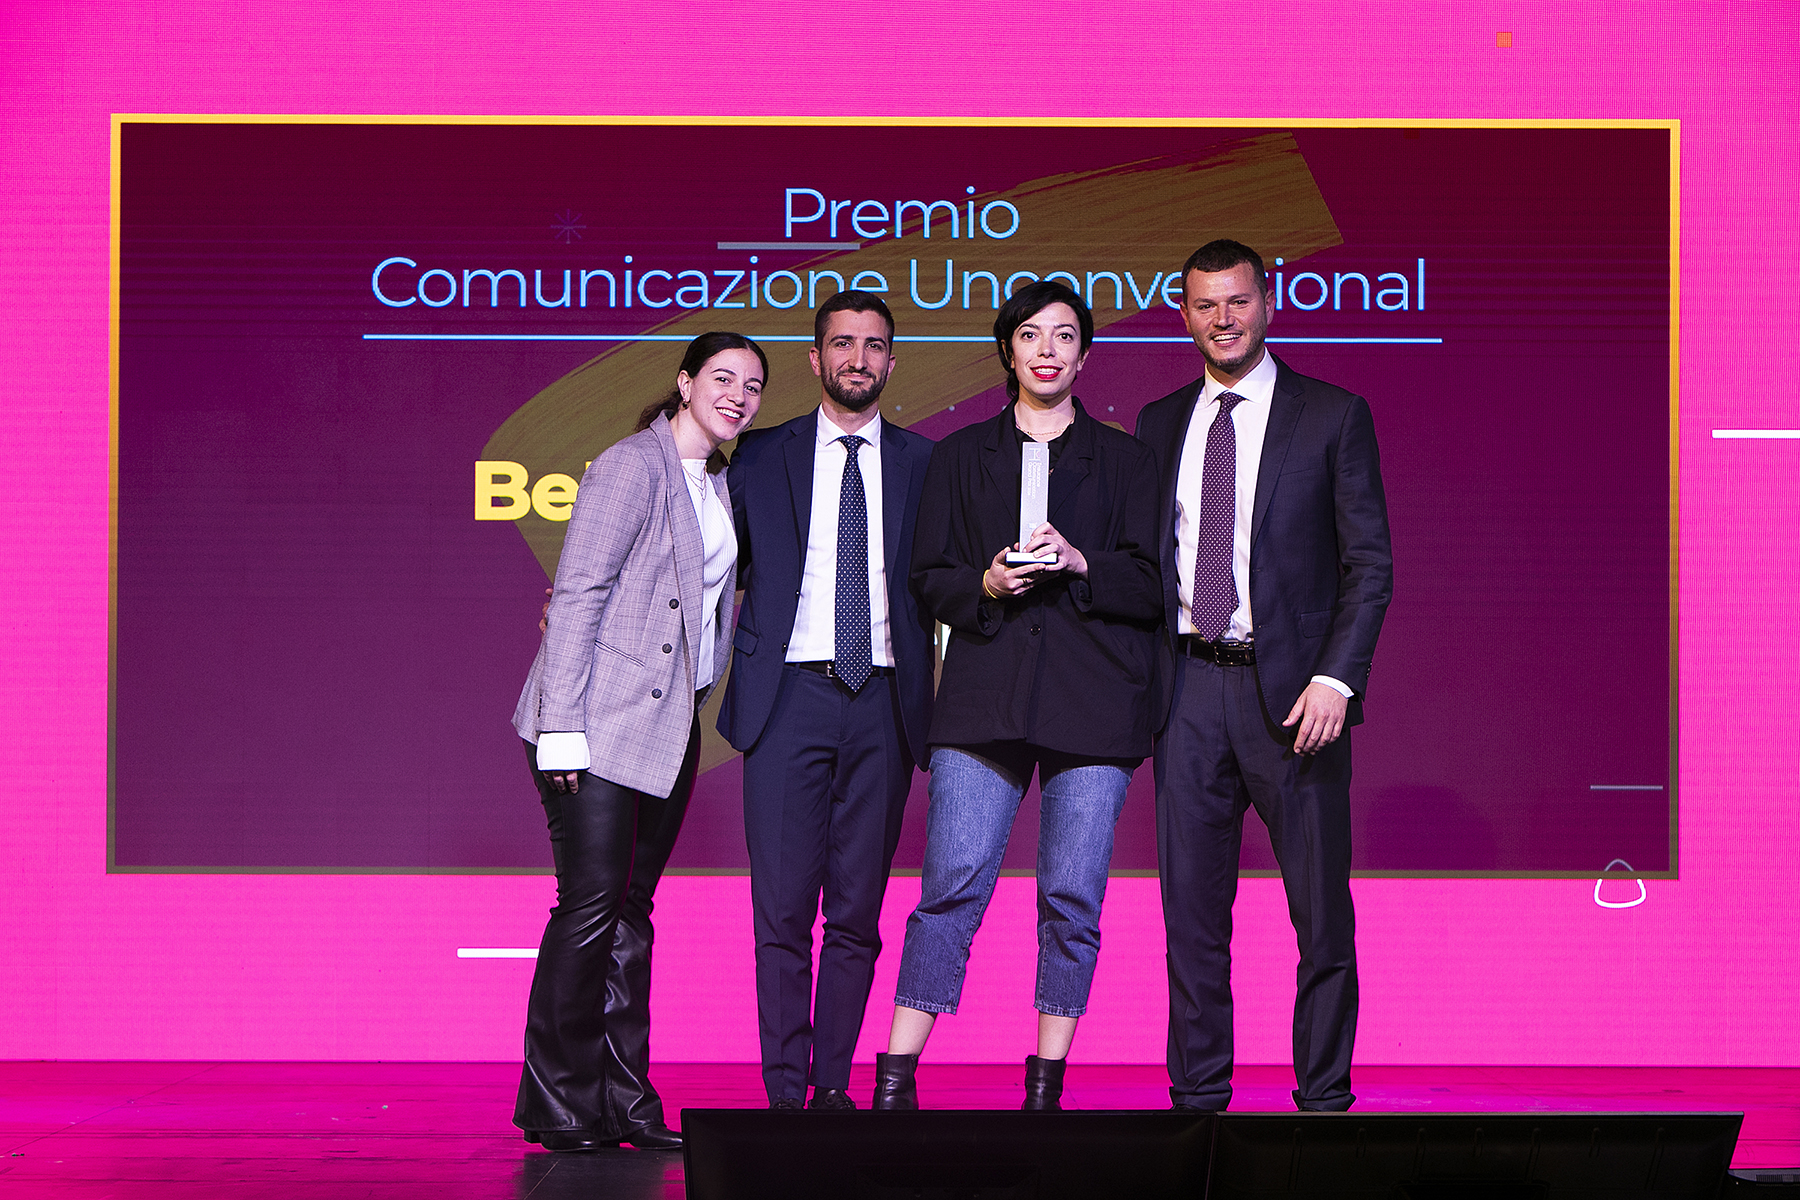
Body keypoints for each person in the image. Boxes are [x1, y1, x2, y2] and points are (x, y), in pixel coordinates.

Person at [873, 280, 1163, 1112]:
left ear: (1084, 354)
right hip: (983, 699)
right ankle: (895, 1077)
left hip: (1094, 704)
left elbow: (1153, 585)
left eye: (1064, 336)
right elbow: (928, 576)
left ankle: (1046, 1084)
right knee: (951, 886)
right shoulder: (961, 455)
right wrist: (987, 584)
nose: (1047, 350)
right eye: (1031, 335)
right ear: (1008, 350)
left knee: (1072, 898)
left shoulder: (1127, 461)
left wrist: (1081, 562)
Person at [1135, 240, 1393, 1113]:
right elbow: (1145, 562)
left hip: (1293, 702)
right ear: (1184, 316)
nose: (1223, 319)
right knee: (1191, 922)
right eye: (1206, 305)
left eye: (1237, 301)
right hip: (1187, 694)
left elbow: (1370, 565)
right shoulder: (1159, 421)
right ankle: (1198, 1104)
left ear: (1267, 303)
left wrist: (1337, 680)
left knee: (1320, 918)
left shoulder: (1332, 415)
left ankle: (1322, 1105)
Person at [511, 332, 765, 1151]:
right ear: (684, 383)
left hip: (666, 725)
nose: (736, 396)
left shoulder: (717, 481)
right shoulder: (632, 466)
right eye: (721, 378)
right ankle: (558, 1103)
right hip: (592, 723)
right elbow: (578, 592)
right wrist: (561, 728)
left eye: (752, 386)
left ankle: (625, 1101)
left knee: (630, 913)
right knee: (590, 907)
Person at [716, 291, 936, 1111]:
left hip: (884, 702)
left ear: (891, 362)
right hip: (787, 699)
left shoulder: (926, 463)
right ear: (815, 359)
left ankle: (832, 1086)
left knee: (856, 913)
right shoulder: (758, 456)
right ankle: (783, 1094)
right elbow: (704, 557)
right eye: (842, 343)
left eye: (873, 346)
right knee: (781, 912)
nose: (857, 358)